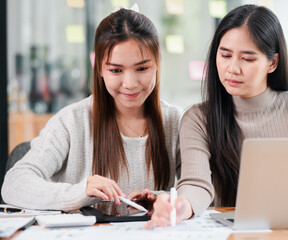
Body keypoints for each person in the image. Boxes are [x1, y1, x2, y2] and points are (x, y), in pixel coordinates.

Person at [145, 4, 288, 228]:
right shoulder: (198, 118)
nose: (232, 68)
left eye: (247, 59)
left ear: (272, 63)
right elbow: (196, 184)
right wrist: (181, 205)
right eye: (225, 55)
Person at [1, 7, 181, 212]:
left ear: (157, 64)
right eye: (115, 70)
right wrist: (80, 192)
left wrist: (161, 199)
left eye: (142, 68)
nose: (130, 83)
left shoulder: (175, 121)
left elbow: (197, 190)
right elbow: (14, 184)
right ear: (99, 68)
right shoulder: (72, 121)